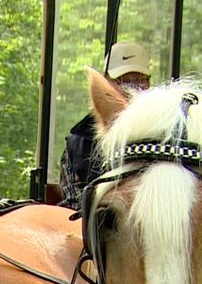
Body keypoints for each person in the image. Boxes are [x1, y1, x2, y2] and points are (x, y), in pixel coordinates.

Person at [58, 42, 152, 208]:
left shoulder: (165, 137)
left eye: (139, 81)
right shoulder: (78, 142)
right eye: (122, 81)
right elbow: (73, 205)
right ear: (106, 83)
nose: (132, 90)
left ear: (149, 85)